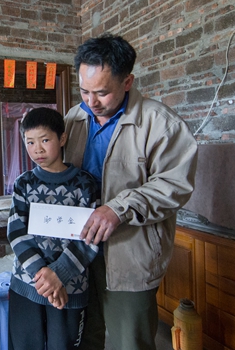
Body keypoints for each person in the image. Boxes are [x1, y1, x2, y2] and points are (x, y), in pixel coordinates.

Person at [62, 34, 198, 350]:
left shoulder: (160, 124)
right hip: (78, 250)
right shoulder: (73, 118)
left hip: (130, 253)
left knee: (130, 342)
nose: (91, 101)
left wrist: (118, 208)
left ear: (127, 82)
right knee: (83, 337)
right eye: (84, 90)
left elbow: (175, 185)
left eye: (102, 92)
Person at [6, 107, 99, 350]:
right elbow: (16, 232)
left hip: (70, 286)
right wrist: (43, 275)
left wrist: (59, 273)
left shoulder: (85, 185)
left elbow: (90, 237)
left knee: (64, 345)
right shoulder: (24, 183)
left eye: (45, 140)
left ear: (62, 138)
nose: (37, 149)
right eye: (30, 142)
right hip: (28, 284)